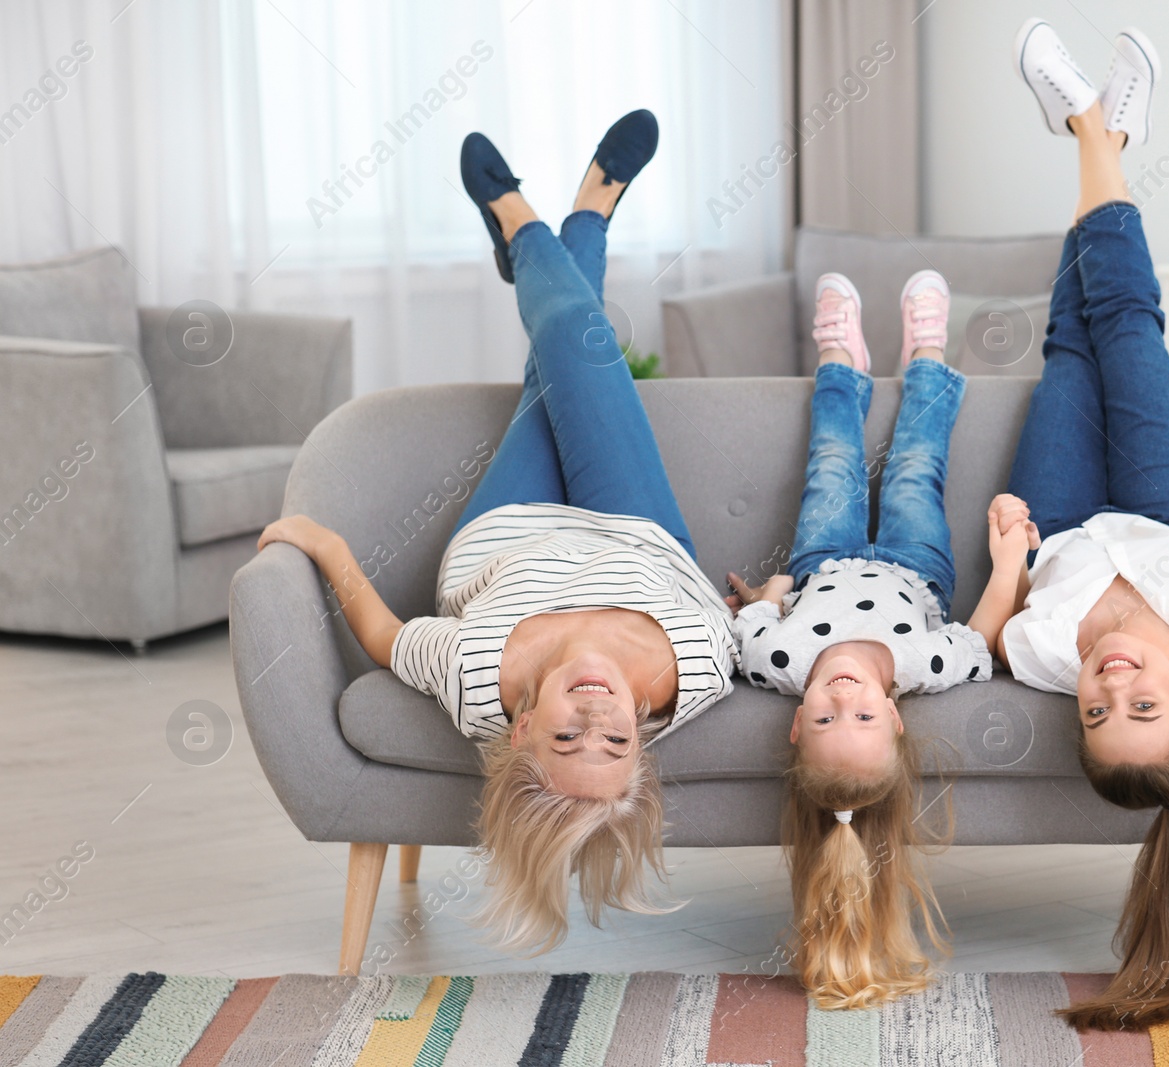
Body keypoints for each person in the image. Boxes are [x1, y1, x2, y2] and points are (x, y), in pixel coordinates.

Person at [256, 112, 738, 955]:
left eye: (566, 737)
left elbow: (386, 638)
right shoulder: (693, 669)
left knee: (564, 357)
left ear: (520, 731)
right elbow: (751, 635)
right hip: (638, 528)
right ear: (643, 735)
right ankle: (542, 224)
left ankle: (537, 227)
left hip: (506, 533)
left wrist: (328, 548)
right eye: (616, 740)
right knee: (581, 342)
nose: (595, 714)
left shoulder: (477, 680)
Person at [968, 21, 1169, 1030]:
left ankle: (1101, 134)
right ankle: (1089, 126)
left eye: (1098, 718)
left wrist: (1008, 557)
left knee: (1067, 346)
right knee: (1126, 323)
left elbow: (981, 639)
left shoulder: (1045, 657)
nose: (1110, 689)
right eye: (1141, 706)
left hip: (1060, 519)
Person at [726, 270, 1004, 1007]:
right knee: (916, 469)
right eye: (864, 716)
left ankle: (839, 360)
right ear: (896, 714)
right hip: (918, 566)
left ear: (795, 720)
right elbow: (981, 640)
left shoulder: (783, 663)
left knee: (833, 464)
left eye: (824, 717)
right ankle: (927, 354)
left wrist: (773, 593)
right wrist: (1009, 566)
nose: (844, 697)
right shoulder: (923, 663)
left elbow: (748, 626)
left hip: (823, 558)